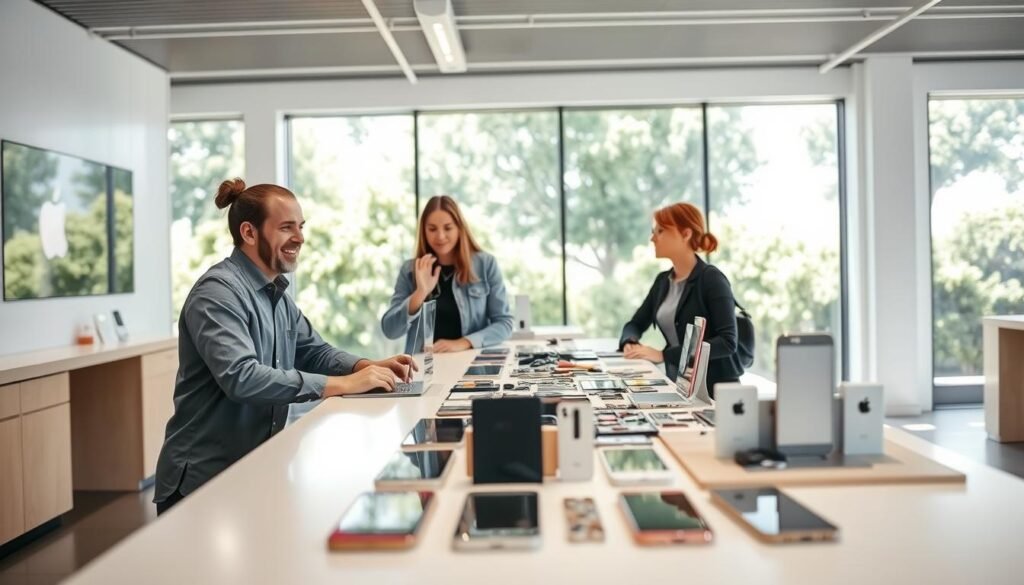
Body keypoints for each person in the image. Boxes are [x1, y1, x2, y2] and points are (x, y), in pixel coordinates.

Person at [154, 179, 416, 515]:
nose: (300, 238)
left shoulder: (275, 292)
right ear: (249, 233)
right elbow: (242, 378)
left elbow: (315, 351)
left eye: (301, 227)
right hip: (202, 483)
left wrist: (366, 366)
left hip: (252, 469)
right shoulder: (217, 293)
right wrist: (341, 385)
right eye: (286, 227)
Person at [619, 202, 744, 395]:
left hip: (715, 391)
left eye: (660, 231)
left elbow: (727, 342)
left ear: (686, 234)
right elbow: (635, 323)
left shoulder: (712, 279)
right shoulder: (663, 282)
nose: (653, 238)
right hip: (679, 385)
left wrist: (663, 354)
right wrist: (630, 341)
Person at [382, 195, 513, 353]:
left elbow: (504, 324)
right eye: (432, 229)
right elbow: (390, 330)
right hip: (423, 368)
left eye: (448, 228)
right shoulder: (410, 270)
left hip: (472, 364)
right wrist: (420, 292)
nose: (440, 236)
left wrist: (463, 342)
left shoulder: (485, 264)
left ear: (459, 228)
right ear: (423, 230)